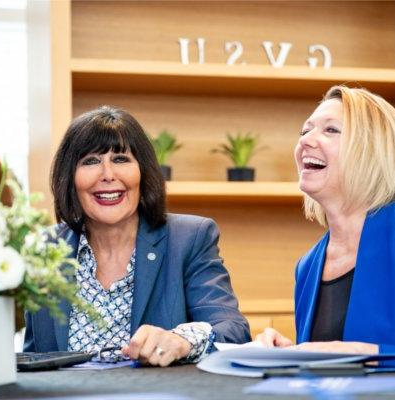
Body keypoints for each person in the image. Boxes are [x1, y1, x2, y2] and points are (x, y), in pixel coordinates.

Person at [256, 85, 395, 371]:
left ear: (372, 150)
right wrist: (293, 354)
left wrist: (361, 353)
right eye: (305, 131)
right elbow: (332, 367)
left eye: (330, 130)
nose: (306, 141)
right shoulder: (308, 265)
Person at [24, 106, 250, 366]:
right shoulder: (44, 249)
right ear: (69, 178)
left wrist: (181, 340)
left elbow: (232, 331)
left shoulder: (189, 238)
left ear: (143, 172)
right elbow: (33, 359)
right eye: (90, 161)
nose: (108, 175)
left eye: (121, 159)